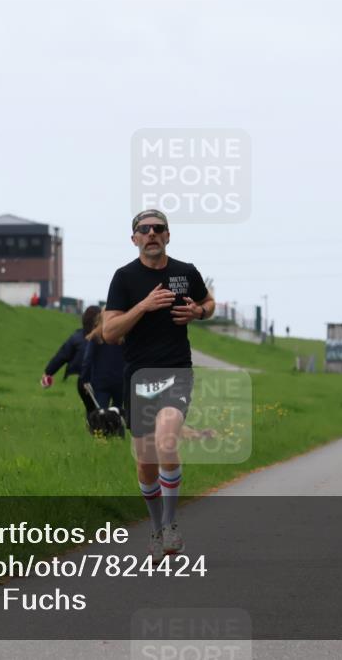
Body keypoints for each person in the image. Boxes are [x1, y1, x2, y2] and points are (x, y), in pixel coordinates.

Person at [102, 209, 214, 560]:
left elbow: (209, 302)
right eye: (144, 229)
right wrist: (143, 306)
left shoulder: (185, 272)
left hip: (177, 371)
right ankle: (155, 528)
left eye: (158, 228)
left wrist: (198, 312)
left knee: (167, 438)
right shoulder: (124, 278)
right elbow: (109, 332)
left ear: (168, 236)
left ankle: (170, 525)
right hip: (139, 377)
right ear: (134, 238)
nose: (151, 233)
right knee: (146, 462)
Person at [41, 306, 99, 420]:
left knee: (92, 410)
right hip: (98, 380)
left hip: (83, 382)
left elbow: (61, 356)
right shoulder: (107, 336)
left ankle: (94, 427)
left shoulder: (76, 337)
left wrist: (48, 372)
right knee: (99, 410)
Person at [82, 310, 125, 411]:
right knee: (117, 412)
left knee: (101, 412)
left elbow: (87, 360)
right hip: (120, 381)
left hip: (100, 382)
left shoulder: (96, 337)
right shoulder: (123, 337)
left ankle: (102, 422)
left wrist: (85, 379)